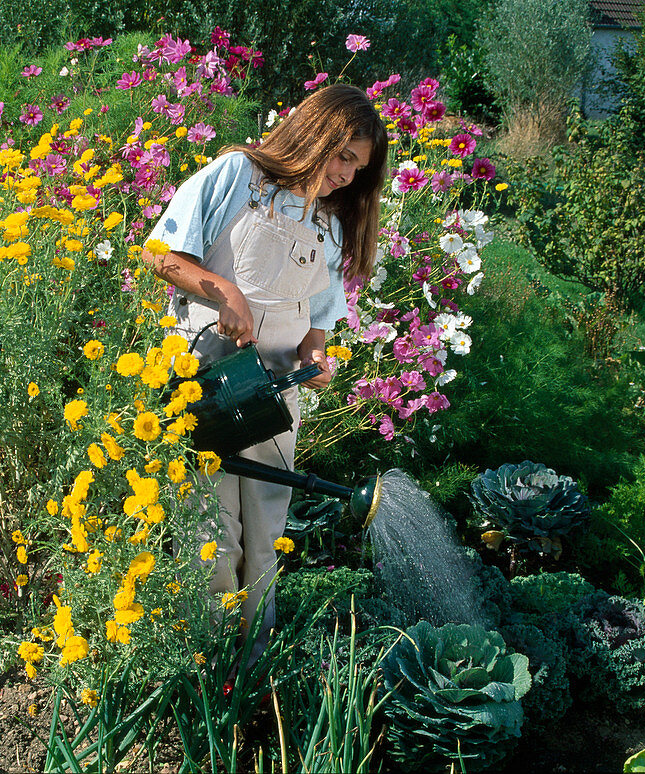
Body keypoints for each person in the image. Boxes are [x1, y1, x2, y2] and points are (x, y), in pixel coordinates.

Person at [143, 84, 387, 655]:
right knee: (212, 529)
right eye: (343, 155)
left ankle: (256, 661)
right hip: (210, 384)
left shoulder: (324, 223)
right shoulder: (237, 175)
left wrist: (315, 353)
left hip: (277, 394)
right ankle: (209, 654)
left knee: (267, 531)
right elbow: (162, 253)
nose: (349, 175)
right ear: (314, 134)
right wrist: (223, 291)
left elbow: (319, 313)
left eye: (359, 166)